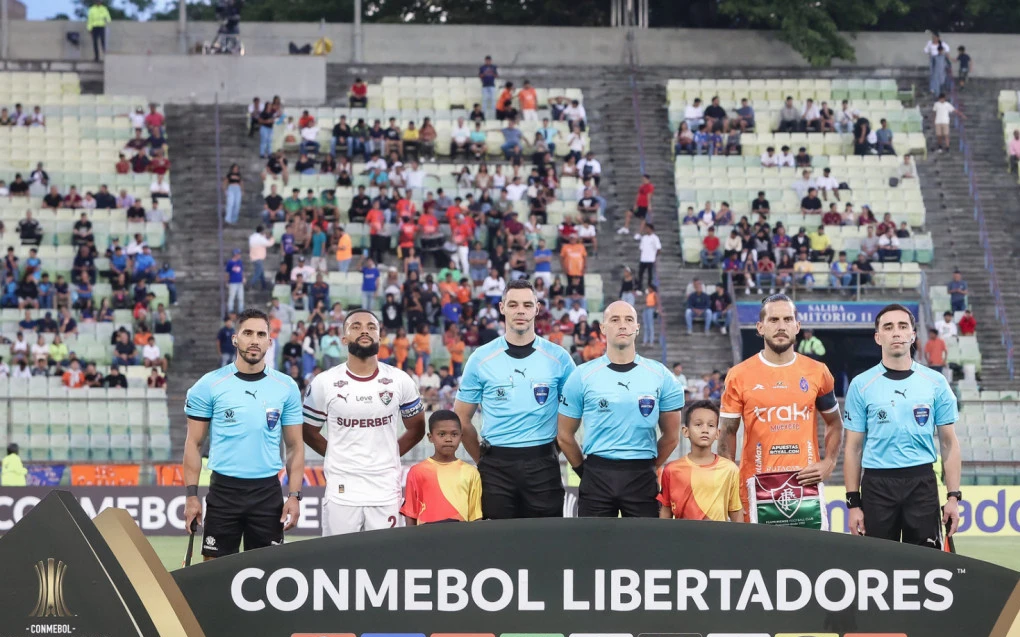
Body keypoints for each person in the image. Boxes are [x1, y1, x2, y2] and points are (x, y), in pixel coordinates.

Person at [183, 308, 305, 559]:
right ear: (235, 339)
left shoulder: (286, 387)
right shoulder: (208, 385)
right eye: (247, 333)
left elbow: (295, 446)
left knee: (266, 573)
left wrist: (294, 496)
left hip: (267, 493)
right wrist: (191, 497)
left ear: (269, 342)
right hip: (223, 492)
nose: (254, 340)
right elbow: (193, 443)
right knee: (214, 571)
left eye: (261, 334)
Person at [454, 279, 575, 519]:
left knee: (546, 538)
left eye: (527, 305)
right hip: (495, 467)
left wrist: (552, 451)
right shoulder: (481, 358)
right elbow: (461, 419)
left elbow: (575, 412)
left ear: (537, 309)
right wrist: (483, 461)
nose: (521, 311)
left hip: (544, 464)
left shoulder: (559, 358)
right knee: (499, 539)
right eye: (513, 304)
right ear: (502, 308)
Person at [844, 304, 962, 546]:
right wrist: (853, 504)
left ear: (913, 334)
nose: (896, 332)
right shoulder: (861, 385)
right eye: (888, 327)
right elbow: (853, 448)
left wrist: (953, 497)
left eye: (902, 326)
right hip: (877, 486)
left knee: (925, 564)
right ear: (878, 337)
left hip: (922, 483)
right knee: (877, 564)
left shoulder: (936, 382)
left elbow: (949, 443)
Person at [719, 294, 844, 520]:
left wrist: (829, 462)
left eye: (787, 319)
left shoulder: (818, 372)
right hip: (754, 491)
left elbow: (835, 422)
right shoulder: (738, 375)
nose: (781, 326)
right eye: (773, 320)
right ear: (760, 327)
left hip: (805, 490)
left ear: (797, 326)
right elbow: (727, 434)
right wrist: (730, 491)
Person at [302, 309, 426, 534]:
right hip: (342, 489)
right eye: (356, 327)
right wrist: (336, 454)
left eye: (371, 327)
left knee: (384, 554)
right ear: (344, 338)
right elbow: (308, 431)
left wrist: (389, 454)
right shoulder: (324, 382)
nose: (365, 331)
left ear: (380, 336)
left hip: (385, 488)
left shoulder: (400, 380)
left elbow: (417, 428)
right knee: (338, 554)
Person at [558, 301, 683, 517]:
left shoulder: (662, 376)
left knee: (643, 539)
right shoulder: (581, 375)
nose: (622, 325)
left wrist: (647, 468)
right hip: (596, 474)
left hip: (642, 475)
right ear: (603, 328)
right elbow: (564, 435)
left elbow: (672, 437)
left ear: (637, 327)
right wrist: (585, 472)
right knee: (592, 539)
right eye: (615, 320)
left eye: (629, 319)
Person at [658, 400, 743, 521]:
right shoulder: (671, 470)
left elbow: (736, 511)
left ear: (717, 433)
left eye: (711, 425)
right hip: (682, 533)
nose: (705, 430)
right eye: (698, 424)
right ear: (686, 431)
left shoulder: (730, 469)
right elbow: (665, 510)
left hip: (717, 534)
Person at [401, 410, 482, 525]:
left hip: (460, 535)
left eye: (454, 434)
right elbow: (411, 514)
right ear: (430, 437)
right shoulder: (417, 471)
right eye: (442, 434)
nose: (448, 439)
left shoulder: (471, 472)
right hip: (426, 535)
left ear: (461, 437)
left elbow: (476, 516)